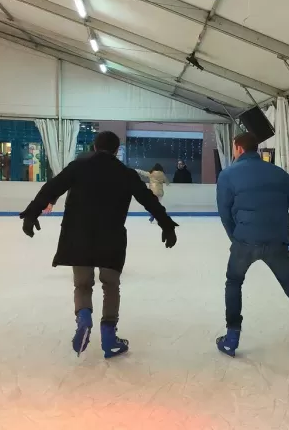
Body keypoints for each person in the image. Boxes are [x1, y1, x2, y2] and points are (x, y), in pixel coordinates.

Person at [19, 131, 178, 359]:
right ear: (116, 150)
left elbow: (51, 188)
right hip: (111, 237)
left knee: (82, 285)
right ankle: (109, 338)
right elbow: (148, 199)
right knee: (110, 285)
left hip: (78, 235)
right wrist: (166, 224)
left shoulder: (78, 167)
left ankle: (84, 316)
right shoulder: (125, 173)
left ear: (94, 147)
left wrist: (32, 212)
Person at [215, 131, 289, 357]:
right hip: (276, 241)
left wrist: (236, 236)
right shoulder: (278, 173)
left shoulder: (228, 175)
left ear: (238, 148)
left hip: (245, 240)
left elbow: (224, 211)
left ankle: (232, 337)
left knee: (234, 283)